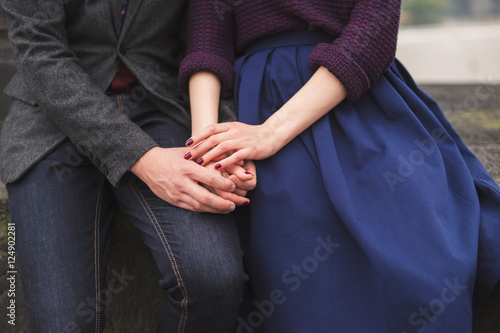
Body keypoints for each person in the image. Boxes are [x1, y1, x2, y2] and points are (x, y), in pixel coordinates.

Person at [178, 0, 500, 332]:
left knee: (425, 264)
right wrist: (208, 149)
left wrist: (271, 133)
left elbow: (373, 33)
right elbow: (207, 46)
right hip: (258, 104)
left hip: (357, 100)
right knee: (306, 281)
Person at [0, 0, 257, 332]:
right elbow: (39, 50)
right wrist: (144, 160)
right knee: (61, 323)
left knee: (213, 281)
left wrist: (221, 137)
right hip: (51, 120)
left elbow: (205, 36)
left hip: (161, 106)